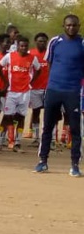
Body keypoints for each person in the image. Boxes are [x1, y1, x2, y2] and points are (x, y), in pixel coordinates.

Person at [35, 15, 84, 176]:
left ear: (79, 26)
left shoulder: (82, 43)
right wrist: (55, 81)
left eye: (74, 25)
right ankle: (42, 161)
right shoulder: (55, 42)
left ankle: (75, 165)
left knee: (75, 129)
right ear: (64, 25)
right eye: (68, 25)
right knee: (47, 126)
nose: (71, 28)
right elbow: (49, 63)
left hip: (73, 92)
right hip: (54, 90)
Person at [0, 36, 40, 153]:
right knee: (8, 115)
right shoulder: (10, 56)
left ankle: (18, 141)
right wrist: (5, 82)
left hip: (25, 92)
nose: (23, 48)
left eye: (25, 46)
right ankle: (10, 140)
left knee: (21, 116)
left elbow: (38, 69)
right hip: (11, 91)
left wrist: (31, 82)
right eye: (21, 46)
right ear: (17, 46)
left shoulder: (32, 58)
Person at [28, 32, 49, 144]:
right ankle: (36, 137)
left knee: (49, 113)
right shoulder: (30, 53)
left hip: (48, 88)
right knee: (36, 112)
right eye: (40, 41)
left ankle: (49, 138)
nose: (42, 43)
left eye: (44, 41)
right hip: (35, 88)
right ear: (36, 42)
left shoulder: (50, 53)